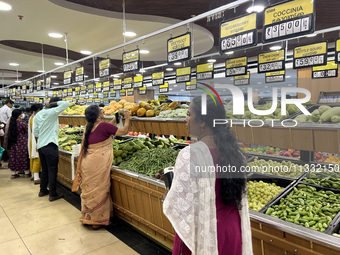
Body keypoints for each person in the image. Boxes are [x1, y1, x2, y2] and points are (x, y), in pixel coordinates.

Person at [163, 96, 253, 255]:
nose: (186, 119)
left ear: (203, 121)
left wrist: (167, 194)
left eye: (189, 114)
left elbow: (177, 206)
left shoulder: (189, 155)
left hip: (205, 233)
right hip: (232, 230)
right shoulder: (235, 153)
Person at [72, 105, 130, 229]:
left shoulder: (88, 126)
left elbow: (104, 129)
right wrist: (128, 118)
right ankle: (97, 222)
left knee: (90, 190)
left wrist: (114, 120)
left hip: (87, 163)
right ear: (98, 115)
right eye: (100, 110)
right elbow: (124, 132)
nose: (103, 111)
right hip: (98, 164)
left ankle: (90, 217)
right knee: (100, 191)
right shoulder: (104, 126)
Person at [34, 97, 70, 201]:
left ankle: (43, 190)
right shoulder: (52, 112)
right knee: (53, 170)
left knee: (45, 169)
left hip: (41, 145)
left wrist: (38, 145)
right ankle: (53, 194)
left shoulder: (38, 114)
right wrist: (53, 104)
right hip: (50, 144)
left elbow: (35, 132)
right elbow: (66, 103)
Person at [7, 109, 29, 179]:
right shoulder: (23, 123)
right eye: (22, 113)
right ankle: (27, 173)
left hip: (13, 143)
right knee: (24, 157)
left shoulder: (11, 123)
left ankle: (13, 174)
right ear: (19, 115)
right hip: (23, 142)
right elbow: (28, 131)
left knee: (14, 157)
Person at [28, 104, 43, 184]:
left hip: (32, 139)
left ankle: (33, 175)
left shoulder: (31, 117)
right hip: (36, 140)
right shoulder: (37, 117)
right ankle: (36, 178)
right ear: (39, 109)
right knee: (37, 158)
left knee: (33, 158)